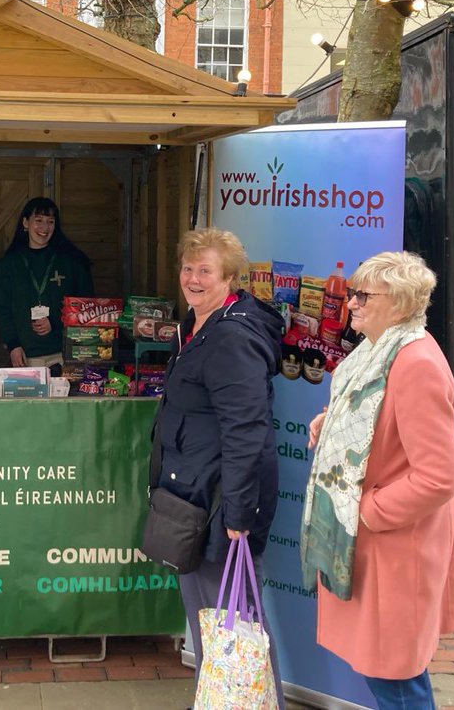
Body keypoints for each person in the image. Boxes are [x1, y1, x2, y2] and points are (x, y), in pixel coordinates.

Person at [301, 250, 454, 709]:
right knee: (393, 675)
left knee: (395, 680)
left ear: (399, 302)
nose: (350, 303)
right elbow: (376, 420)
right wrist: (329, 422)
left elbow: (439, 475)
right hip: (377, 549)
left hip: (394, 549)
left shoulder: (415, 363)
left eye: (361, 295)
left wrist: (365, 511)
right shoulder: (379, 351)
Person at [151, 228, 286, 706]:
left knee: (234, 630)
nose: (193, 278)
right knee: (212, 627)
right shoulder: (197, 326)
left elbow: (247, 430)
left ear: (229, 277)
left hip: (220, 507)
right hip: (193, 495)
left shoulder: (230, 337)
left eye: (205, 270)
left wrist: (237, 516)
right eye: (188, 269)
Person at [0, 198, 93, 375]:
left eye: (50, 222)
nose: (44, 228)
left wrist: (55, 321)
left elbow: (85, 304)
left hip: (66, 354)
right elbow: (2, 308)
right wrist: (13, 345)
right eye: (38, 220)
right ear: (25, 222)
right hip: (26, 355)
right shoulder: (10, 262)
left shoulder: (72, 260)